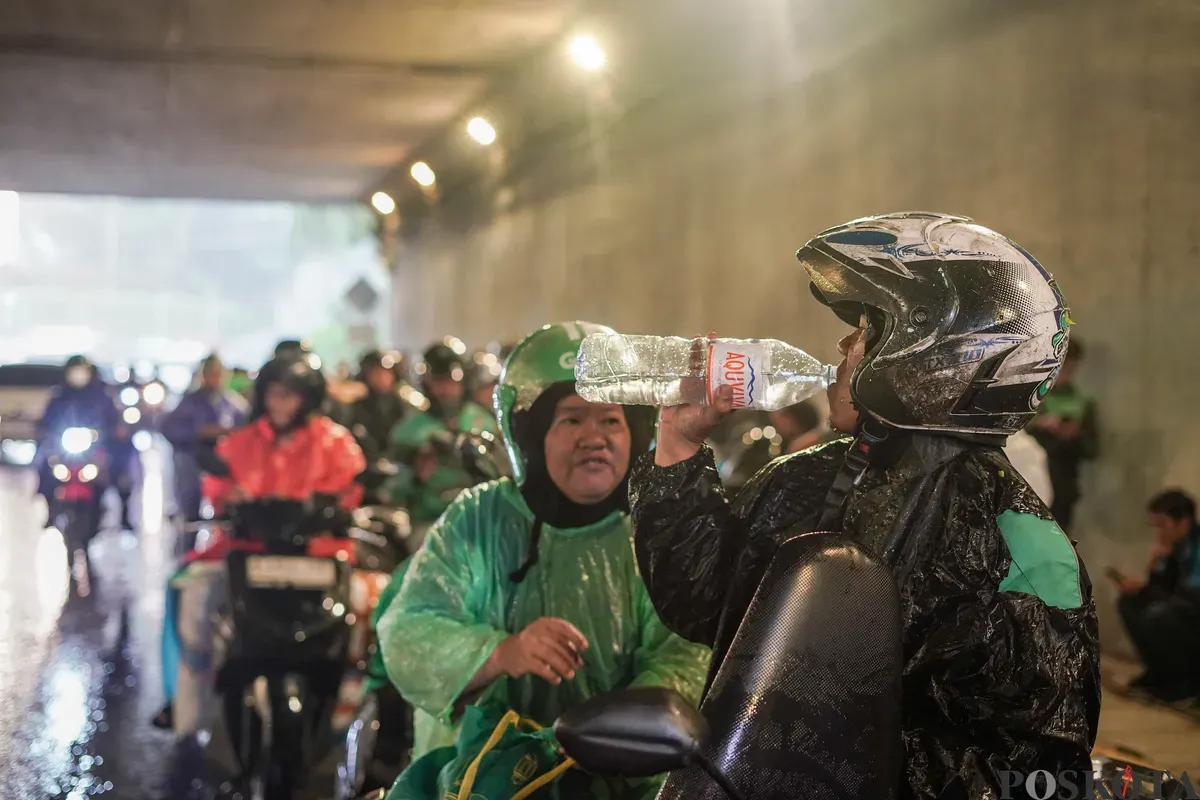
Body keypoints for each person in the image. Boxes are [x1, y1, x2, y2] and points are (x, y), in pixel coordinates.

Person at [629, 212, 1100, 798]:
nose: (843, 346)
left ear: (932, 352)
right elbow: (705, 600)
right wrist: (677, 441)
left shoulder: (1023, 546)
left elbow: (1037, 772)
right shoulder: (806, 477)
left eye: (865, 330)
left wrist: (840, 758)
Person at [376, 322, 710, 798]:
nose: (594, 436)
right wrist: (501, 652)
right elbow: (410, 629)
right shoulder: (478, 518)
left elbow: (686, 656)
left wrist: (613, 730)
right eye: (571, 419)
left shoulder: (652, 532)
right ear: (530, 436)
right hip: (473, 777)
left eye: (610, 419)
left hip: (615, 784)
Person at [154, 354, 365, 729]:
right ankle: (188, 705)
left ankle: (355, 707)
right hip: (247, 553)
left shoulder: (336, 442)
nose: (281, 404)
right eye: (274, 394)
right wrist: (233, 498)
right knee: (191, 594)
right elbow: (219, 488)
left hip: (318, 555)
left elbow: (351, 489)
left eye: (290, 395)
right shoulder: (241, 441)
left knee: (369, 605)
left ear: (308, 398)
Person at [387, 339, 496, 525]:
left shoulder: (483, 422)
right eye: (439, 383)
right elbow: (392, 490)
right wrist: (416, 477)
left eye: (452, 383)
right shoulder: (407, 432)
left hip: (481, 518)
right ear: (426, 385)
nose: (446, 390)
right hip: (431, 521)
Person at [1111, 490, 1200, 703]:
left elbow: (1191, 596)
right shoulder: (1175, 547)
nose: (1158, 533)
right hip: (1182, 610)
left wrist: (1148, 586)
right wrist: (1155, 569)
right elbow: (1165, 589)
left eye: (1162, 525)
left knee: (1160, 615)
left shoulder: (1196, 547)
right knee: (1130, 603)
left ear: (1183, 522)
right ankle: (1159, 674)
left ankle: (1184, 685)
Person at [159, 354, 248, 522]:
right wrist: (198, 432)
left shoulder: (233, 404)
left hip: (222, 459)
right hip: (192, 456)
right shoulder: (189, 402)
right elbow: (169, 428)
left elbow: (246, 430)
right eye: (210, 373)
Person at [1029, 339, 1097, 529]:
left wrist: (1072, 434)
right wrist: (1038, 425)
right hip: (1028, 483)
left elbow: (1092, 449)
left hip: (1062, 486)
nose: (1064, 373)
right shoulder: (1030, 398)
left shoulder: (1081, 403)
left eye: (1070, 367)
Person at [37, 356, 120, 509]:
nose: (78, 376)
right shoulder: (59, 396)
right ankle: (47, 500)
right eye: (75, 372)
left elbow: (112, 421)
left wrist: (107, 434)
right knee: (44, 463)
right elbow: (47, 421)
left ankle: (121, 507)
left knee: (118, 464)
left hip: (94, 447)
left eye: (82, 372)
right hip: (63, 446)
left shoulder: (101, 397)